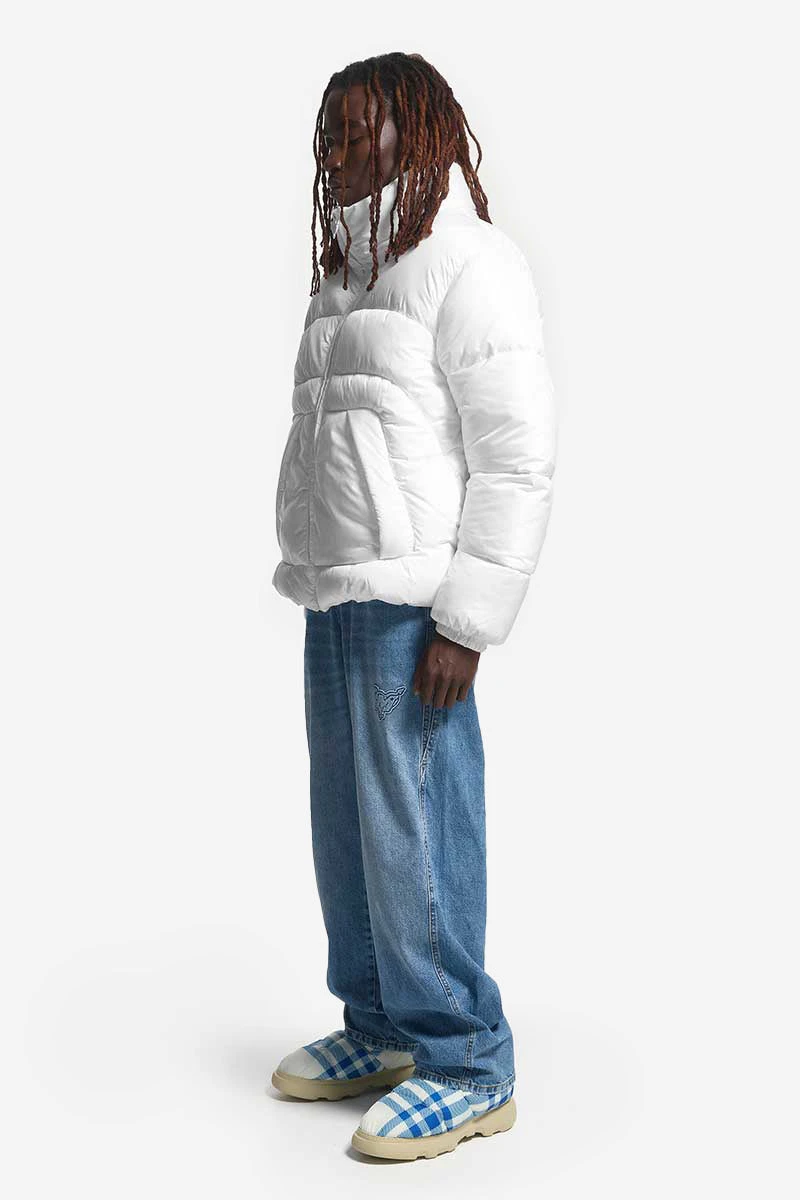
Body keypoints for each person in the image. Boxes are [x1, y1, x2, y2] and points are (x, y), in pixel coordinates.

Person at [269, 51, 557, 1161]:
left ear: (415, 133)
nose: (339, 150)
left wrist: (466, 624)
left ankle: (468, 1061)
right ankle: (382, 1025)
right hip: (334, 595)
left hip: (416, 613)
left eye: (360, 130)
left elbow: (515, 458)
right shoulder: (342, 275)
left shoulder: (467, 264)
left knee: (415, 832)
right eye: (329, 133)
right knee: (346, 831)